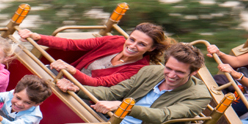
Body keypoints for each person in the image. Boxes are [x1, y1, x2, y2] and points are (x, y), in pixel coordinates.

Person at [56, 43, 212, 124]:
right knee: (66, 110)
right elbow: (114, 93)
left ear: (193, 73)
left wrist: (123, 107)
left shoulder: (199, 95)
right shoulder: (151, 72)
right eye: (169, 68)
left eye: (179, 72)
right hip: (108, 123)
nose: (171, 75)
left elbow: (164, 115)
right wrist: (77, 88)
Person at [17, 23, 171, 87]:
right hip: (64, 76)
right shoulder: (115, 41)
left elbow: (99, 83)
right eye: (132, 39)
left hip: (82, 92)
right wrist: (38, 37)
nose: (132, 46)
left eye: (141, 44)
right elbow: (73, 44)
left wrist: (71, 71)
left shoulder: (138, 68)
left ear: (151, 49)